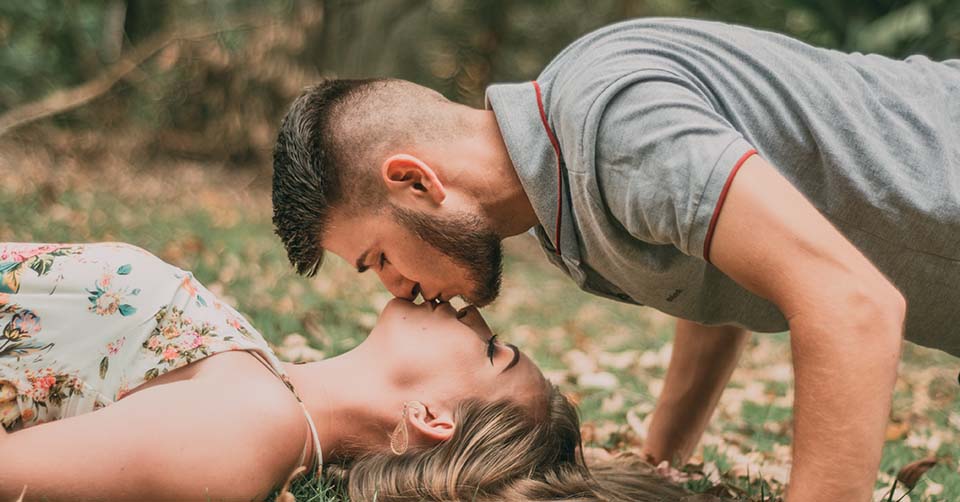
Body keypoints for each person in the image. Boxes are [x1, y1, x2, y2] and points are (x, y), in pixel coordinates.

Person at [271, 17, 960, 500]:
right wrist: (662, 458)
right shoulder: (562, 201)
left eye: (378, 258)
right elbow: (717, 270)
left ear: (417, 181)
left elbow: (851, 305)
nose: (399, 289)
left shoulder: (613, 124)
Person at [0, 242, 693, 501]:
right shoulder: (263, 389)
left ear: (431, 417)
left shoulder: (248, 434)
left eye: (493, 351)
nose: (474, 311)